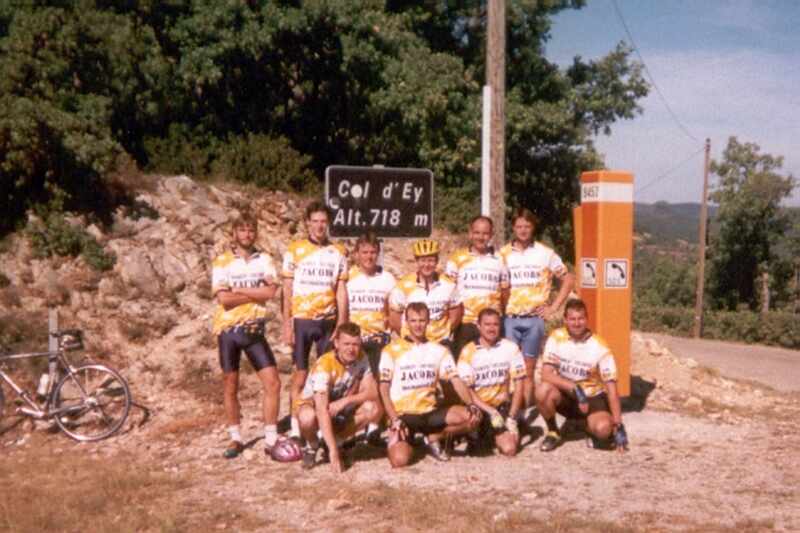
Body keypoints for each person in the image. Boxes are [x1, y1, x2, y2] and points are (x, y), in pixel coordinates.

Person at [211, 213, 285, 458]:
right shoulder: (222, 261)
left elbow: (271, 293)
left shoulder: (264, 259)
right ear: (234, 234)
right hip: (228, 331)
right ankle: (235, 438)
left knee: (273, 382)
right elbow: (223, 299)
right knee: (231, 386)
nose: (247, 234)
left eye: (251, 230)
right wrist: (257, 292)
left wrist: (240, 289)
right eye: (242, 230)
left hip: (253, 329)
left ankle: (271, 437)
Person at [379, 302, 482, 467]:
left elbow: (456, 380)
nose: (418, 325)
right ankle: (408, 440)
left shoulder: (439, 350)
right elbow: (383, 389)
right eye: (413, 321)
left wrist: (471, 404)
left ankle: (434, 437)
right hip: (404, 415)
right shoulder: (391, 350)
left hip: (430, 413)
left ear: (428, 322)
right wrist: (394, 419)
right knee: (400, 461)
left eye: (422, 320)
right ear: (406, 322)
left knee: (472, 418)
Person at [282, 201, 348, 440]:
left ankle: (323, 424)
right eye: (315, 221)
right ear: (308, 223)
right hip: (302, 320)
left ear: (328, 223)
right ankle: (295, 425)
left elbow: (341, 289)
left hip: (327, 321)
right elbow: (287, 289)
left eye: (324, 221)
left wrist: (341, 323)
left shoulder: (338, 251)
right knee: (300, 374)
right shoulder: (295, 249)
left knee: (327, 374)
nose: (320, 226)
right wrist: (286, 323)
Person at [499, 208, 575, 410]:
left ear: (533, 227)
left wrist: (553, 308)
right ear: (513, 228)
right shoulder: (503, 254)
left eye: (527, 226)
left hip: (534, 320)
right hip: (510, 318)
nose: (523, 230)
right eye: (519, 226)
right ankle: (508, 412)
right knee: (508, 368)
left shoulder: (545, 253)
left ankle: (524, 414)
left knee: (528, 369)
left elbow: (568, 279)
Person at [535, 299, 628, 453]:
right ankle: (553, 432)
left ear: (587, 319)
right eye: (572, 319)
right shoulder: (556, 337)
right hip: (568, 395)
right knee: (542, 391)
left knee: (604, 430)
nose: (577, 323)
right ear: (565, 320)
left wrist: (618, 424)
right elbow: (546, 374)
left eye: (581, 319)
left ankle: (587, 427)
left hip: (592, 399)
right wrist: (574, 388)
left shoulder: (600, 346)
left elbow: (612, 390)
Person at [297, 323, 383, 472]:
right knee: (307, 417)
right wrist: (333, 452)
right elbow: (321, 410)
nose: (351, 349)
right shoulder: (324, 366)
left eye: (355, 344)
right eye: (346, 344)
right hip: (315, 407)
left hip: (340, 406)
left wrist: (346, 401)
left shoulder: (362, 357)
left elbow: (373, 392)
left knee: (373, 408)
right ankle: (312, 444)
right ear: (336, 343)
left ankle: (337, 440)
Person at [345, 232, 396, 442]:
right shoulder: (348, 277)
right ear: (357, 254)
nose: (369, 256)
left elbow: (392, 311)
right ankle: (352, 426)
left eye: (373, 252)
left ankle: (374, 425)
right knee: (352, 384)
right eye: (364, 252)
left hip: (378, 340)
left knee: (378, 382)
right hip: (354, 341)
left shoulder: (388, 278)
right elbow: (344, 308)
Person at [457, 308, 526, 457]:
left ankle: (493, 434)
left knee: (510, 449)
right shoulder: (468, 351)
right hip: (479, 407)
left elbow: (520, 384)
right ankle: (473, 435)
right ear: (479, 326)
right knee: (476, 450)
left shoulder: (510, 347)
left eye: (495, 324)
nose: (491, 328)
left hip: (501, 408)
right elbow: (468, 391)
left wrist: (512, 417)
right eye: (487, 324)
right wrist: (489, 410)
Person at [445, 216, 509, 359]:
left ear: (491, 235)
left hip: (491, 324)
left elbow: (505, 292)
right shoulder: (456, 258)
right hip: (465, 323)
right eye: (477, 233)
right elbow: (448, 292)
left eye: (485, 233)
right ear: (470, 233)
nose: (481, 237)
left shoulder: (499, 259)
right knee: (463, 368)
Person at [388, 239, 461, 348]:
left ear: (437, 261)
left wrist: (444, 334)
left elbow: (456, 313)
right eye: (422, 260)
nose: (427, 265)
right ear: (417, 261)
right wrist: (409, 337)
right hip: (413, 344)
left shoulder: (448, 285)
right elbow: (394, 318)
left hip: (440, 344)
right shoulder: (403, 286)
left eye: (431, 260)